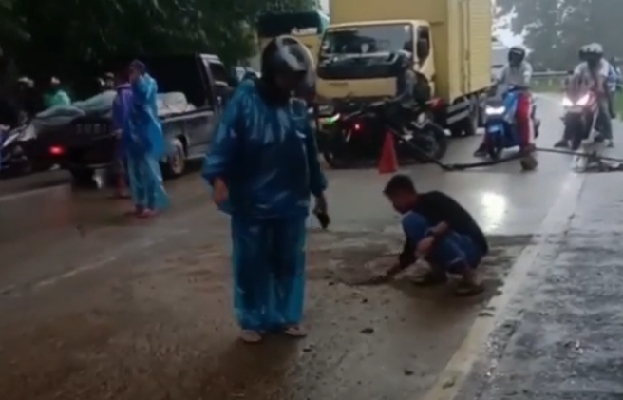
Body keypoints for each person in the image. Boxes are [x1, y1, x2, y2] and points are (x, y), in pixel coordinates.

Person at [201, 35, 328, 343]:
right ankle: (252, 318)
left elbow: (309, 154)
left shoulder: (296, 108)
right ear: (272, 72)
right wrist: (219, 179)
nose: (290, 84)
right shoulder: (245, 102)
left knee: (288, 261)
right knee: (252, 261)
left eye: (295, 78)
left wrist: (319, 193)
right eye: (287, 77)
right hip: (252, 200)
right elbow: (225, 141)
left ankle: (287, 316)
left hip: (291, 201)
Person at [379, 174, 488, 295]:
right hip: (455, 249)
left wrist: (433, 237)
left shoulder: (434, 199)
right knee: (418, 232)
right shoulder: (416, 216)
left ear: (403, 194)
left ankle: (471, 278)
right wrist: (391, 272)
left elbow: (454, 219)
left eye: (394, 201)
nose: (394, 207)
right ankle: (438, 274)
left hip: (472, 249)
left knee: (418, 228)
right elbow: (412, 250)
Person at [121, 60, 169, 217]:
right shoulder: (129, 89)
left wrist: (137, 83)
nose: (131, 75)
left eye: (133, 71)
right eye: (130, 72)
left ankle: (153, 204)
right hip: (132, 134)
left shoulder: (149, 84)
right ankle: (140, 203)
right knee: (134, 171)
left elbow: (143, 99)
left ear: (141, 72)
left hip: (147, 132)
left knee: (149, 170)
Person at [474, 47, 534, 158]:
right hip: (506, 95)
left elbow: (526, 76)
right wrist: (493, 85)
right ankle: (485, 145)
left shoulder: (526, 67)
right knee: (492, 116)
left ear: (521, 58)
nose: (514, 58)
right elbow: (498, 78)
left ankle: (525, 144)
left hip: (522, 95)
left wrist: (525, 83)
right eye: (512, 56)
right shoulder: (505, 68)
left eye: (516, 56)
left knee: (522, 115)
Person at [561, 43, 614, 147]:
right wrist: (568, 88)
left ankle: (609, 137)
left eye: (593, 57)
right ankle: (564, 138)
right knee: (571, 108)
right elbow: (574, 78)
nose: (590, 59)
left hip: (605, 87)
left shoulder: (603, 65)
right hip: (586, 89)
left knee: (603, 110)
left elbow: (601, 78)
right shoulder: (582, 66)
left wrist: (598, 88)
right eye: (588, 56)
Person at [111, 70, 133, 199]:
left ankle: (121, 189)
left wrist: (120, 129)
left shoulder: (121, 95)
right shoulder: (134, 92)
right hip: (134, 131)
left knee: (120, 161)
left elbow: (122, 113)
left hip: (122, 132)